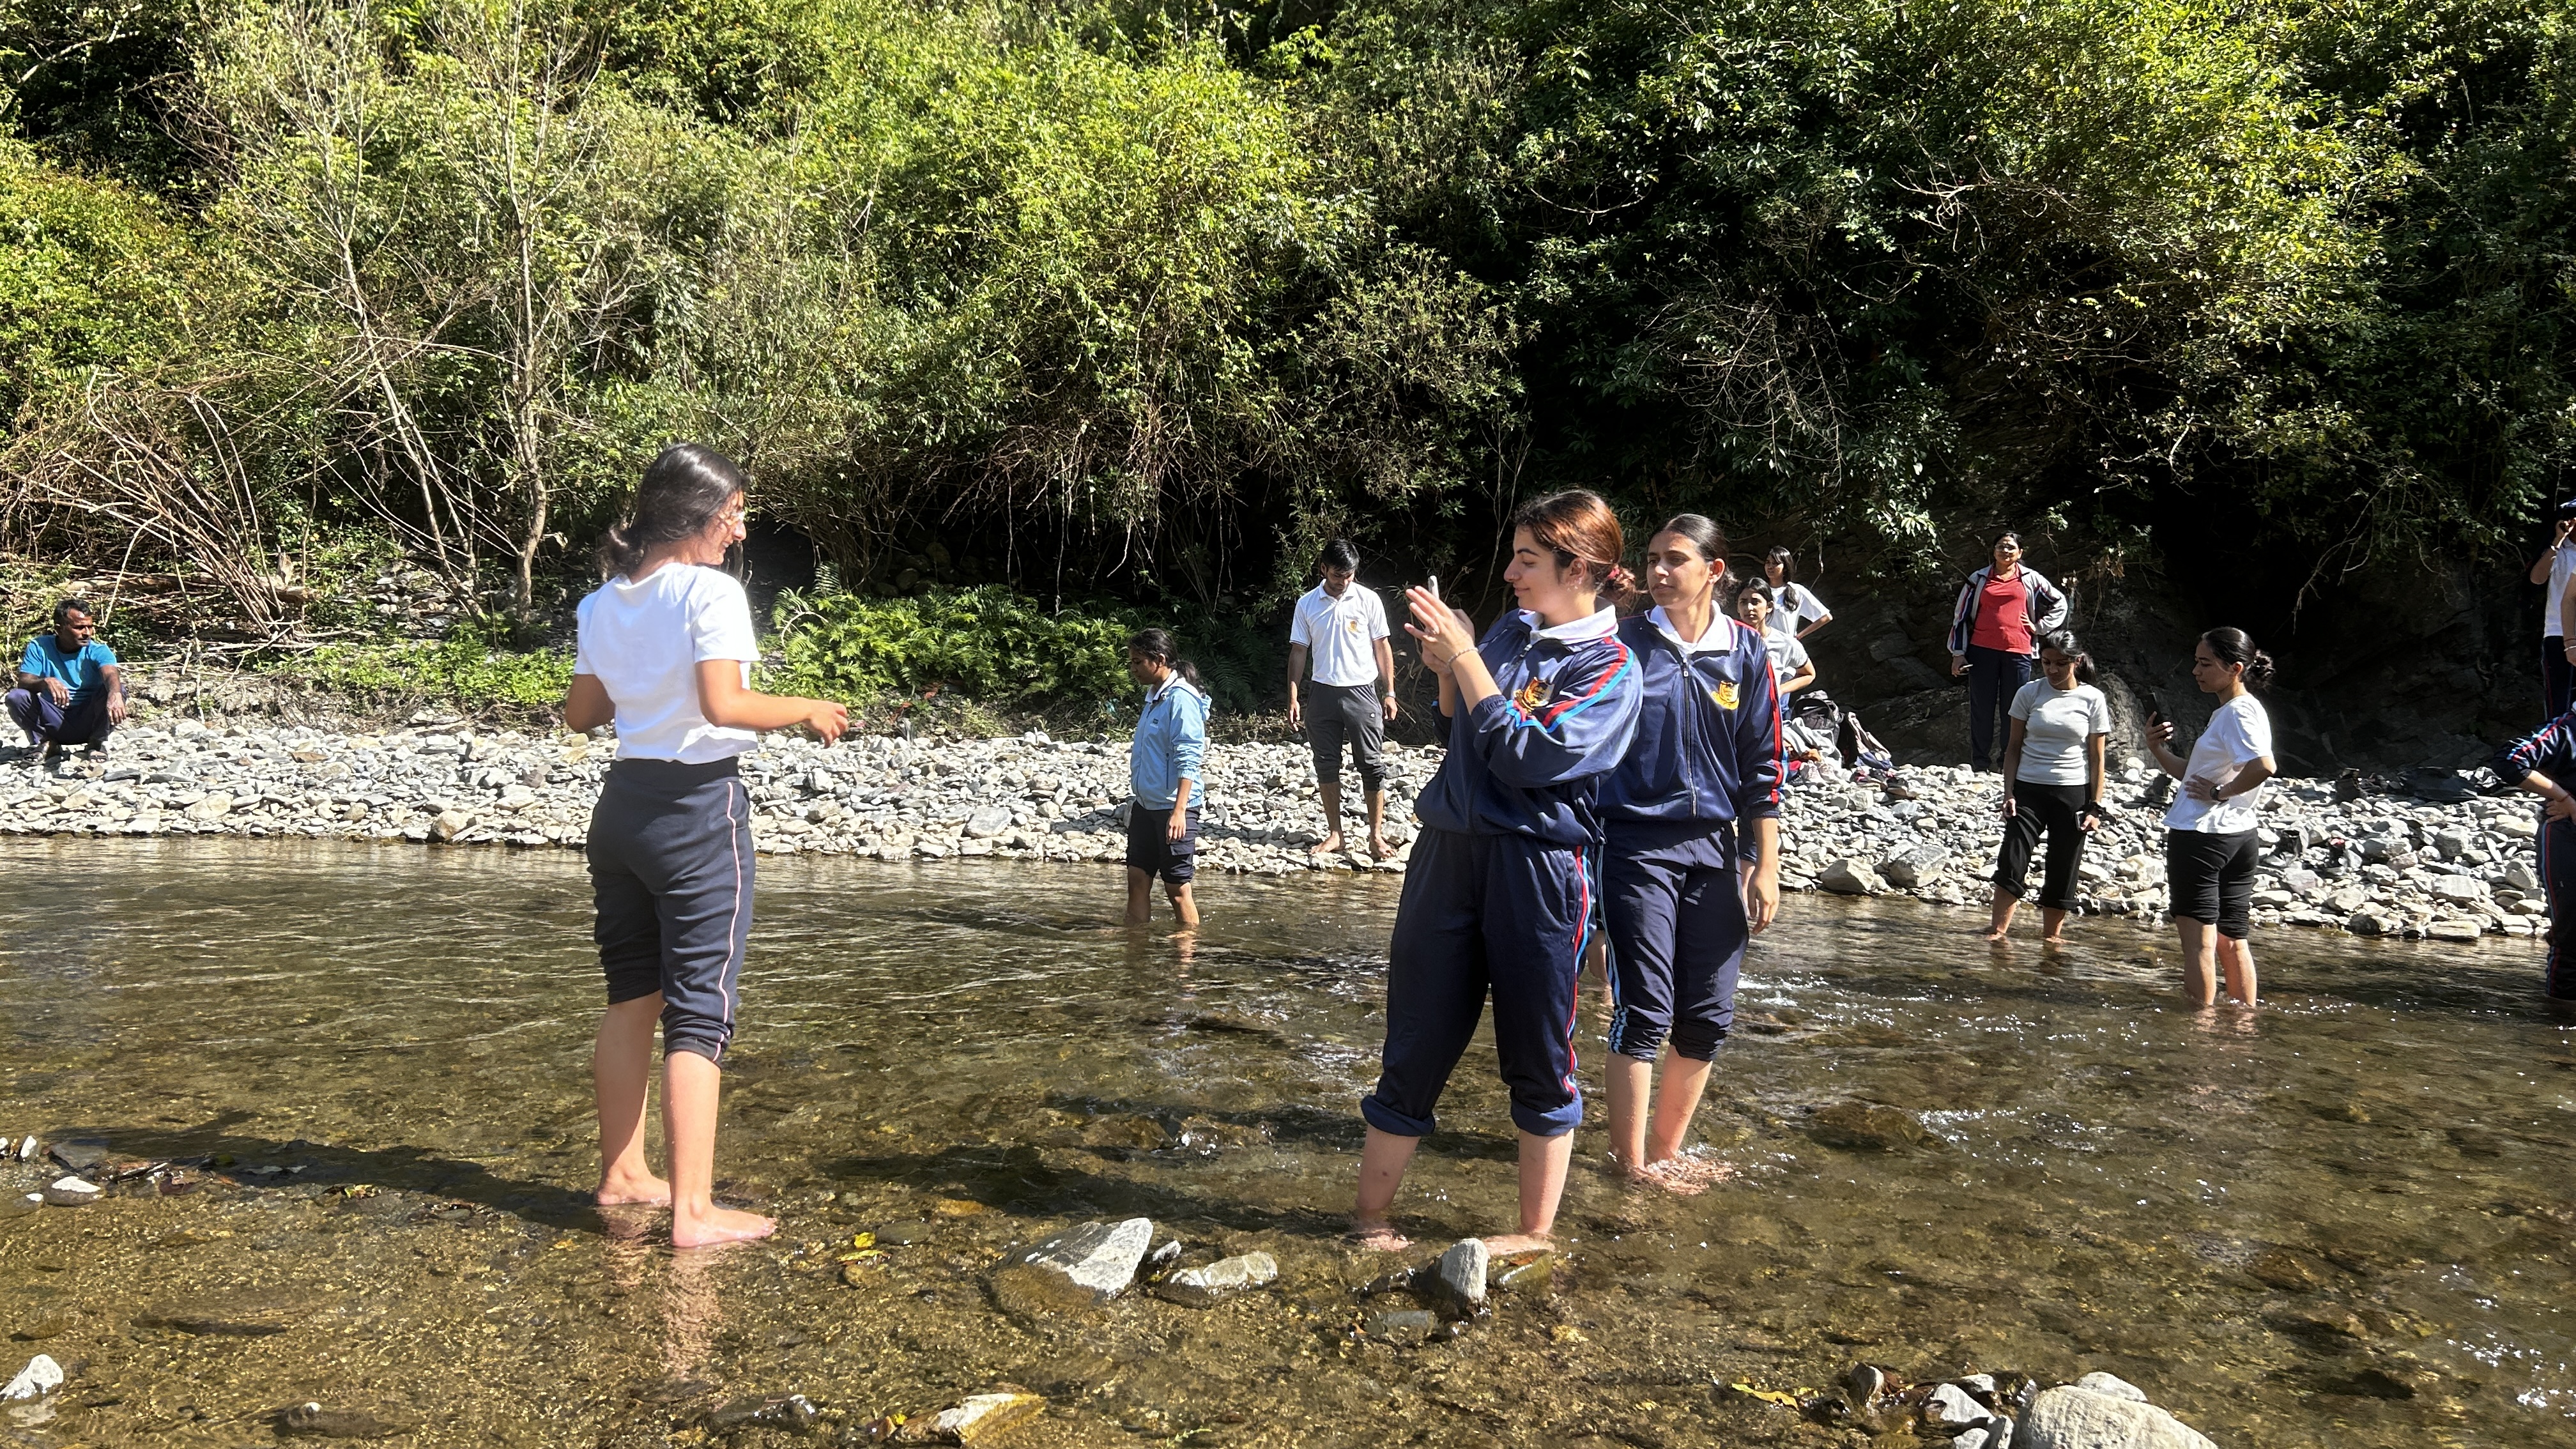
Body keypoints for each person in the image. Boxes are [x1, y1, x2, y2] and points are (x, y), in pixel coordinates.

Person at [560, 443, 850, 1248]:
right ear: (696, 514)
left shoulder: (601, 603)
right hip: (695, 813)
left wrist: (641, 686)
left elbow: (582, 715)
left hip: (620, 813)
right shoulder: (711, 594)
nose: (741, 528)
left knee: (632, 997)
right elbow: (725, 705)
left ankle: (623, 1175)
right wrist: (809, 709)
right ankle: (693, 1212)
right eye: (734, 513)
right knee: (700, 1011)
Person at [1350, 490, 1642, 1254]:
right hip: (1447, 853)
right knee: (1414, 1039)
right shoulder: (1514, 629)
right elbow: (1463, 726)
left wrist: (1469, 659)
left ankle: (1534, 1235)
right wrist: (1447, 668)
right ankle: (1369, 1220)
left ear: (1580, 569)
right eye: (1514, 556)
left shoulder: (1612, 669)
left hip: (1540, 871)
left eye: (1527, 560)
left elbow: (1528, 755)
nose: (1510, 572)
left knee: (1539, 1053)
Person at [1600, 515, 1781, 1193]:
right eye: (1651, 559)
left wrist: (1766, 863)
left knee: (1707, 1013)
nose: (1658, 572)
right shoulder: (1621, 642)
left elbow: (1762, 765)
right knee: (1645, 1008)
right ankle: (1630, 1164)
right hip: (1631, 844)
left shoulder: (1746, 652)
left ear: (1715, 570)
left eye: (1676, 559)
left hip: (1714, 847)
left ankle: (1667, 1151)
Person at [2146, 627, 2276, 1007]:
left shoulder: (2237, 713)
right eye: (2196, 662)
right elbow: (2194, 776)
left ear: (2235, 668)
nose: (2195, 671)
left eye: (2205, 664)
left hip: (2202, 837)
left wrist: (2221, 794)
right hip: (2239, 837)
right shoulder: (2244, 710)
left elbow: (2265, 766)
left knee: (2199, 944)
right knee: (2233, 940)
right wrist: (2156, 749)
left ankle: (2200, 1033)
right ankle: (2242, 1027)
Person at [1985, 631, 2112, 944]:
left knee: (2064, 864)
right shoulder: (2029, 693)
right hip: (2028, 789)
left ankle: (2051, 938)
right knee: (2012, 856)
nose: (2052, 670)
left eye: (2060, 663)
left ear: (2076, 662)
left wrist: (2095, 806)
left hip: (2072, 793)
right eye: (2046, 662)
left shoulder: (2092, 699)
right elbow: (2013, 748)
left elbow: (2097, 759)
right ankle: (1997, 931)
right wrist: (2009, 793)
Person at [1286, 539, 1399, 858]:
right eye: (1338, 575)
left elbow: (1382, 646)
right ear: (1323, 569)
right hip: (1322, 692)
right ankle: (1336, 834)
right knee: (1326, 764)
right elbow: (1298, 652)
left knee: (1372, 765)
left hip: (1363, 692)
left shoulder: (1368, 600)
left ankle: (1376, 837)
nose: (1344, 581)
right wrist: (1294, 696)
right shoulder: (1307, 604)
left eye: (1349, 575)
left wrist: (1389, 692)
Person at [1947, 533, 2069, 772]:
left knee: (2014, 710)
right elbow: (1960, 617)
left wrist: (2039, 627)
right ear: (1994, 551)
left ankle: (2008, 763)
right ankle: (1980, 763)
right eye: (2001, 546)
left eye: (2011, 547)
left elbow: (2060, 602)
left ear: (2020, 553)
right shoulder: (1979, 579)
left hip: (2019, 651)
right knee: (1981, 708)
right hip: (1982, 651)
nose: (2005, 551)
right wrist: (1958, 653)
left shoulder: (2030, 579)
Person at [2496, 696, 2576, 1016]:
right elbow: (2509, 761)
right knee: (2573, 938)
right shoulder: (2564, 731)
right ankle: (2557, 1031)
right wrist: (2565, 798)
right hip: (2568, 839)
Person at [1126, 627, 1209, 930]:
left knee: (1177, 889)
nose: (1133, 669)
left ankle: (1188, 950)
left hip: (1175, 809)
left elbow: (1189, 758)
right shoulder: (1154, 697)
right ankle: (1134, 942)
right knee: (1137, 878)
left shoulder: (1181, 699)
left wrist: (1179, 812)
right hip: (1146, 806)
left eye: (1137, 662)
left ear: (1159, 660)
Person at [10, 599, 125, 758]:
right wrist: (45, 682)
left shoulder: (99, 650)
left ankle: (97, 743)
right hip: (54, 720)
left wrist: (115, 694)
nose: (87, 633)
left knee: (116, 689)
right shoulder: (39, 646)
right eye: (79, 628)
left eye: (90, 627)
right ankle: (46, 742)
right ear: (59, 629)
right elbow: (24, 681)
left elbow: (110, 673)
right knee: (17, 697)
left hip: (88, 722)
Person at [2534, 500, 2576, 718]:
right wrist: (2558, 540)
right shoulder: (2559, 551)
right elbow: (2537, 579)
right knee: (2559, 706)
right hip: (2557, 634)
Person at [1736, 586, 1816, 696]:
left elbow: (1809, 674)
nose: (1749, 607)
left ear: (1769, 606)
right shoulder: (1726, 639)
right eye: (1743, 602)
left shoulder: (1784, 643)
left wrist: (1781, 690)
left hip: (1765, 710)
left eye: (1755, 602)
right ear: (1738, 607)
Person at [1762, 547, 1832, 640]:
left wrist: (1798, 637)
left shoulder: (1796, 591)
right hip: (1762, 648)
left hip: (1787, 650)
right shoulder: (1760, 590)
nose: (1770, 567)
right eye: (1768, 562)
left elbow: (1825, 617)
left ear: (1785, 567)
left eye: (1775, 563)